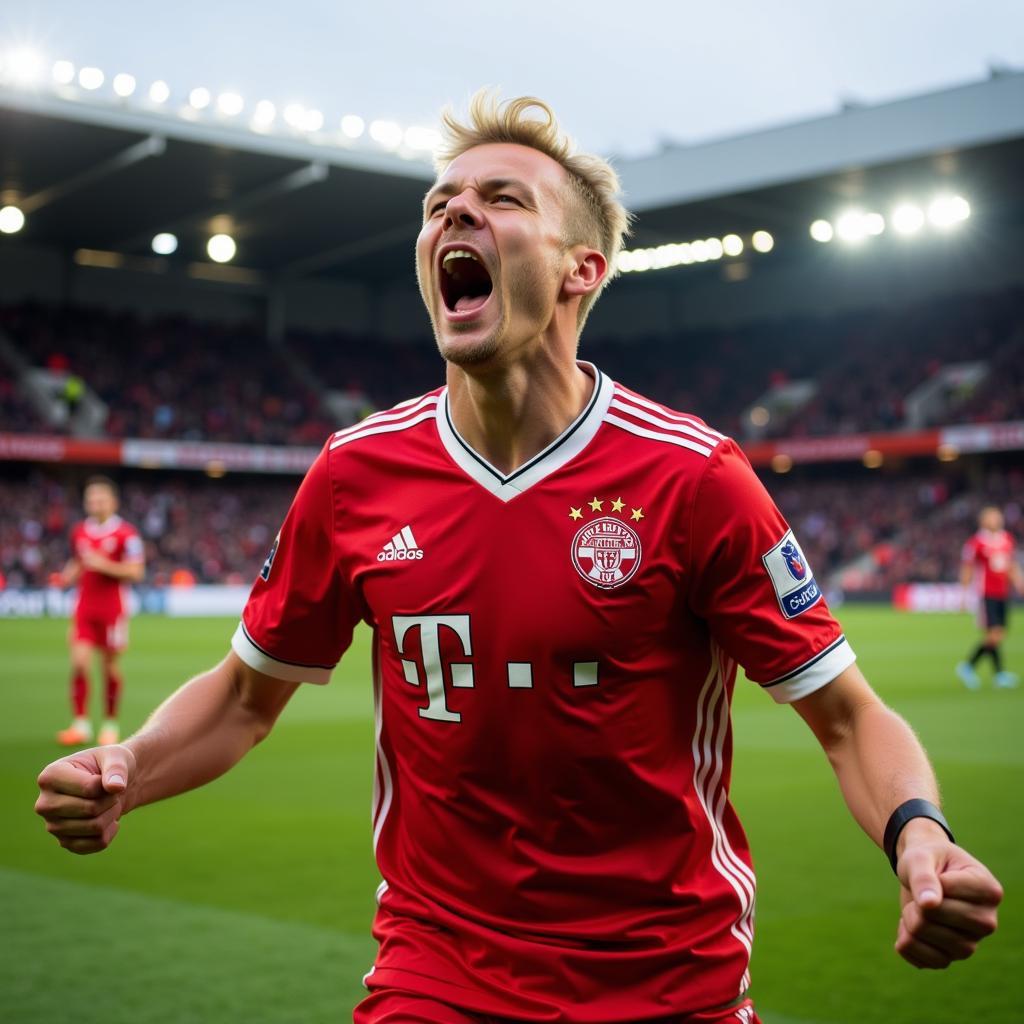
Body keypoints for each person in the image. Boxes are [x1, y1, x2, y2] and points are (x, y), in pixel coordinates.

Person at [36, 93, 1002, 1024]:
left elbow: (847, 718)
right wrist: (132, 762)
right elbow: (246, 699)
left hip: (667, 981)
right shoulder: (353, 475)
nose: (456, 209)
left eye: (503, 198)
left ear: (582, 268)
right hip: (436, 972)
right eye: (439, 205)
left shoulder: (693, 478)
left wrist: (920, 834)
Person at [56, 475, 145, 746]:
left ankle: (110, 723)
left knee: (109, 668)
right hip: (84, 606)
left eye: (101, 499)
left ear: (113, 502)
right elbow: (77, 561)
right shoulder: (79, 531)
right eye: (91, 499)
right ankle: (80, 724)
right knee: (80, 663)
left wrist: (103, 564)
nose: (95, 503)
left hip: (113, 609)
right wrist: (66, 578)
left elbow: (136, 572)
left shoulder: (127, 534)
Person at [956, 505, 1022, 690]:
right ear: (984, 521)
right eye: (993, 517)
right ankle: (969, 666)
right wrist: (963, 594)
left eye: (998, 516)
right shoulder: (976, 542)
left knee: (998, 634)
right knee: (994, 633)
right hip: (986, 594)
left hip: (1003, 593)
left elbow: (1011, 565)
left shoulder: (1007, 539)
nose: (997, 520)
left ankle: (998, 674)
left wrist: (1019, 581)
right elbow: (967, 568)